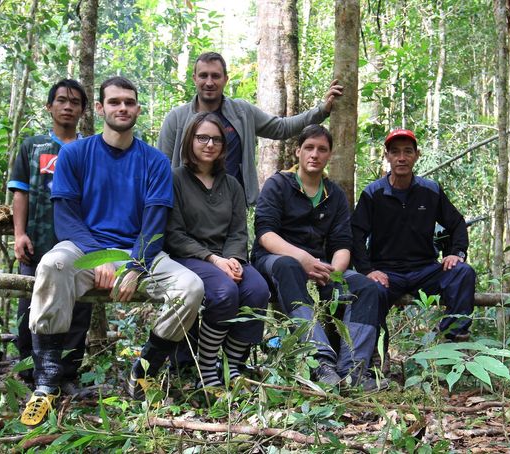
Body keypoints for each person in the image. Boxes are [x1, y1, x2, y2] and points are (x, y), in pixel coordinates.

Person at [20, 77, 204, 425]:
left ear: (137, 108)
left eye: (130, 102)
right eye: (115, 102)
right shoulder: (75, 153)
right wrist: (101, 258)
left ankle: (143, 370)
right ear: (101, 109)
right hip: (83, 247)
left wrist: (133, 265)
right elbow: (66, 218)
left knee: (190, 287)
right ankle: (46, 383)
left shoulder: (154, 161)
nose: (123, 108)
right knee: (52, 265)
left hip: (139, 253)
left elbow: (154, 224)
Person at [251, 125, 385, 390]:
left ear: (329, 155)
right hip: (275, 259)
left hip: (319, 264)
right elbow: (265, 234)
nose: (315, 154)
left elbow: (342, 243)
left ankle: (355, 370)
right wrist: (303, 259)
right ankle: (320, 361)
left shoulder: (333, 194)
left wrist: (333, 273)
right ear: (298, 151)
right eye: (309, 148)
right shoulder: (278, 184)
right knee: (289, 266)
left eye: (322, 149)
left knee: (367, 287)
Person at [164, 112, 270, 388]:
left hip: (226, 257)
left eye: (216, 139)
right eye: (202, 138)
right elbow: (173, 233)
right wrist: (213, 259)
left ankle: (232, 366)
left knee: (257, 289)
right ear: (190, 141)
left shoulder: (231, 184)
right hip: (190, 257)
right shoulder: (175, 179)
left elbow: (238, 231)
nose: (209, 144)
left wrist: (233, 259)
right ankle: (208, 368)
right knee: (224, 292)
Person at [158, 51, 343, 205]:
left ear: (225, 79)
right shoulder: (177, 119)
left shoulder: (241, 112)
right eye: (203, 75)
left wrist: (321, 110)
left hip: (232, 203)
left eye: (215, 76)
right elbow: (162, 168)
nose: (209, 82)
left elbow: (281, 127)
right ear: (194, 78)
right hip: (187, 205)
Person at [350, 128, 474, 343]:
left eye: (408, 152)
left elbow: (456, 223)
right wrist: (368, 270)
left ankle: (451, 336)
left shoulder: (430, 190)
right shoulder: (373, 194)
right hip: (387, 272)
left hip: (425, 270)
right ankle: (376, 355)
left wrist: (456, 253)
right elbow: (356, 234)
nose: (401, 158)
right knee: (370, 290)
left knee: (462, 272)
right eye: (395, 152)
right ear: (387, 156)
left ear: (417, 155)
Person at [7, 79, 92, 391]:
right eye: (61, 100)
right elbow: (20, 193)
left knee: (79, 307)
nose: (67, 106)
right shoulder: (33, 146)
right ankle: (31, 373)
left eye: (74, 102)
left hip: (80, 244)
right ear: (49, 106)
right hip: (38, 240)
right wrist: (19, 235)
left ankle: (67, 375)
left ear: (83, 110)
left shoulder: (90, 149)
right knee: (29, 306)